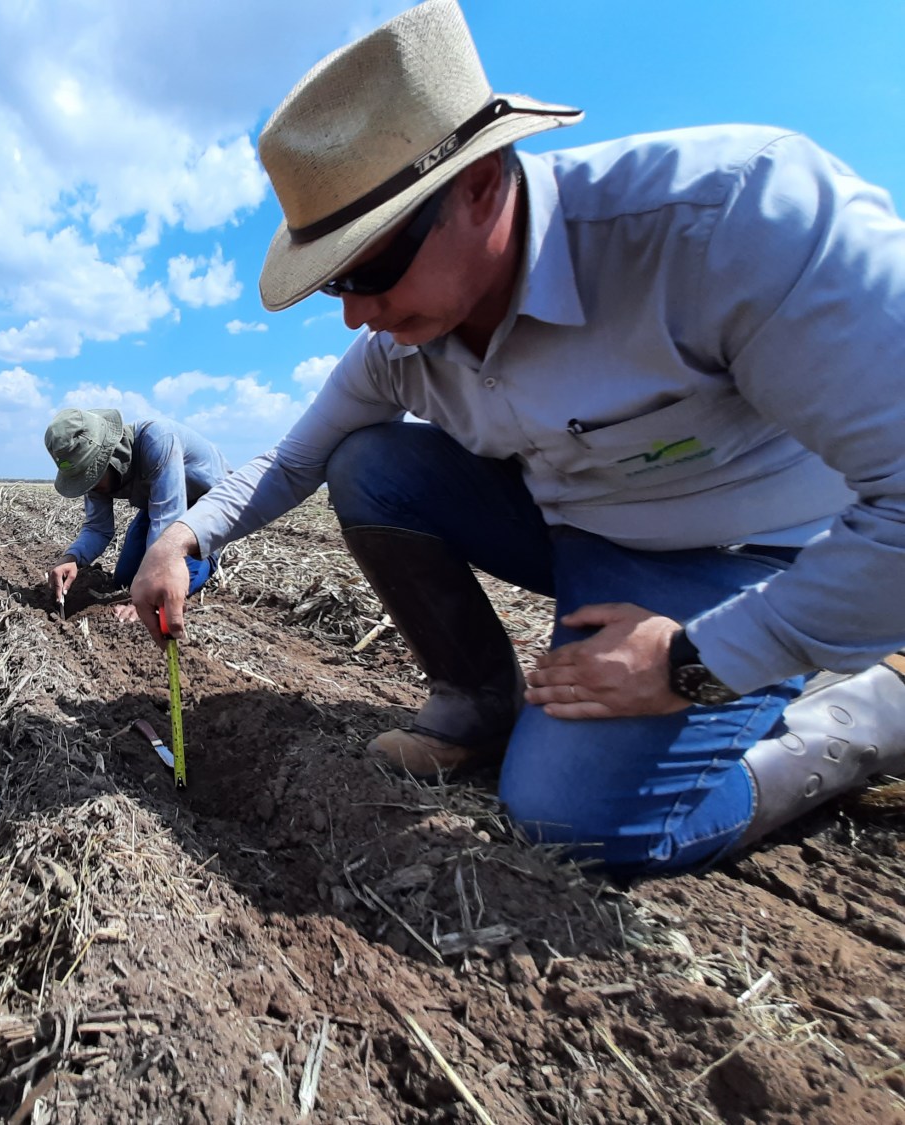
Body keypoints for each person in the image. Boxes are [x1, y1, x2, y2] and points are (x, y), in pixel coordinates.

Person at [129, 0, 905, 875]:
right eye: (332, 280)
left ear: (482, 181)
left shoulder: (728, 222)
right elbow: (294, 458)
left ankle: (868, 712)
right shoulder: (400, 344)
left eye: (372, 265)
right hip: (582, 534)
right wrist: (185, 533)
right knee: (370, 463)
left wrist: (696, 661)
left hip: (745, 553)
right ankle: (476, 707)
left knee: (570, 827)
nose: (355, 311)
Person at [45, 408, 229, 620]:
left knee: (176, 581)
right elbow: (97, 528)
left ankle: (210, 553)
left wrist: (146, 599)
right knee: (125, 579)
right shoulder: (96, 481)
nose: (89, 485)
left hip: (207, 502)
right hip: (160, 504)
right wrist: (72, 557)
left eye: (90, 475)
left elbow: (168, 520)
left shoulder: (158, 440)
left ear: (108, 456)